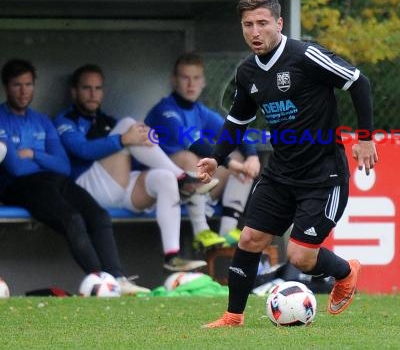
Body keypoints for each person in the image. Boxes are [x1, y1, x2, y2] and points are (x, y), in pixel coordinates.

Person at [197, 0, 378, 327]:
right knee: (250, 238)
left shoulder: (305, 56)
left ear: (279, 24)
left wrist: (365, 139)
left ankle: (346, 271)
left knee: (301, 256)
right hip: (280, 174)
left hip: (323, 176)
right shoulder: (248, 72)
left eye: (262, 23)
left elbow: (358, 81)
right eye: (248, 24)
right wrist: (216, 157)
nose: (255, 31)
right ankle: (233, 317)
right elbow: (239, 119)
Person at [0, 58, 149, 295]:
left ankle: (118, 278)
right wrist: (41, 159)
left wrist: (32, 153)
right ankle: (103, 282)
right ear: (7, 87)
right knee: (73, 219)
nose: (23, 91)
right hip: (19, 186)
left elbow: (63, 166)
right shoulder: (1, 118)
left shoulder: (42, 121)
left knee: (98, 215)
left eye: (28, 84)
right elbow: (16, 169)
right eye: (17, 85)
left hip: (53, 180)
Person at [54, 64, 214, 272]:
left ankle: (172, 255)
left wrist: (146, 139)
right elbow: (83, 150)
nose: (93, 94)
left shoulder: (108, 121)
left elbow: (134, 157)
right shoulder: (65, 120)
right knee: (129, 125)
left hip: (118, 186)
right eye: (87, 88)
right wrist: (125, 138)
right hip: (85, 190)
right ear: (74, 91)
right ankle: (182, 178)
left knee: (164, 177)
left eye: (98, 88)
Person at [145, 53, 261, 251]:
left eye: (196, 78)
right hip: (160, 190)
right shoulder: (165, 110)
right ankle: (201, 232)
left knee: (240, 157)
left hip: (199, 187)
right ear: (174, 80)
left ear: (204, 81)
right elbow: (191, 142)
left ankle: (227, 231)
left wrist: (252, 157)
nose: (191, 84)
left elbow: (235, 132)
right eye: (185, 77)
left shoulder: (201, 111)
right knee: (191, 157)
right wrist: (231, 164)